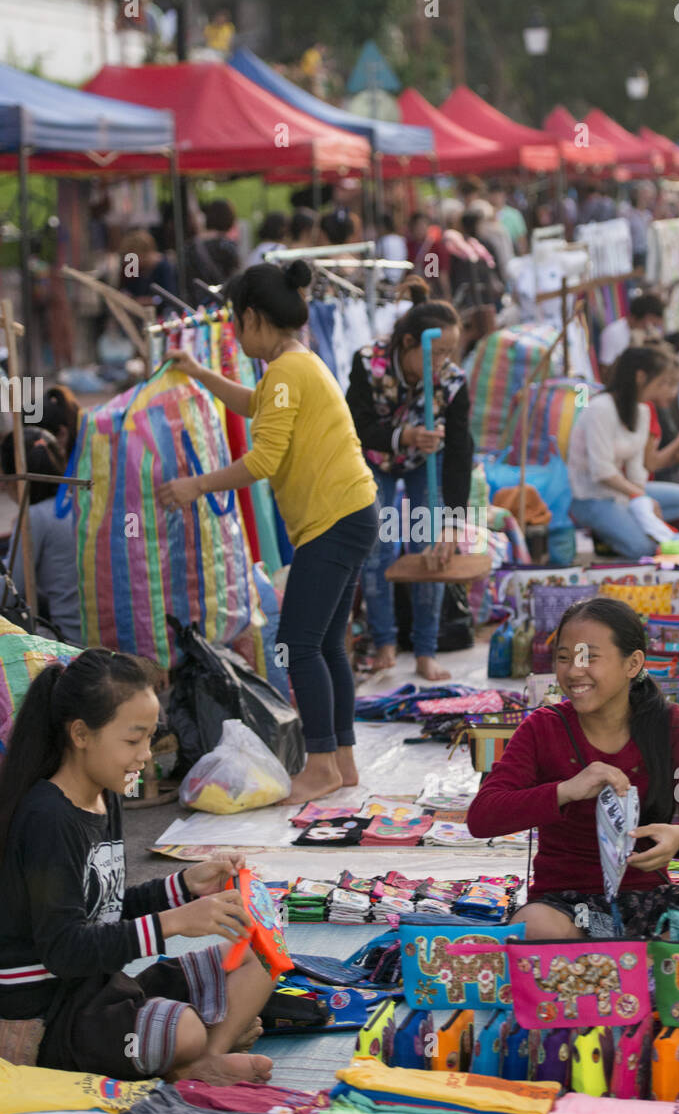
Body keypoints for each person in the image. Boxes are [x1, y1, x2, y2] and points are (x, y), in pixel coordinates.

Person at [156, 261, 378, 805]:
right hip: (353, 511)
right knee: (326, 645)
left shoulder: (286, 371)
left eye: (236, 320)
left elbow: (262, 459)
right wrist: (200, 373)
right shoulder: (297, 364)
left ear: (253, 317)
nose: (233, 330)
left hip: (333, 519)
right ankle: (341, 761)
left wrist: (195, 486)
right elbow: (255, 407)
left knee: (298, 643)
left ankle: (321, 764)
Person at [0, 649, 275, 1084]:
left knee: (259, 954)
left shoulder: (104, 795)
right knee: (182, 1028)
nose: (146, 755)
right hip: (51, 1013)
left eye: (150, 738)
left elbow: (105, 908)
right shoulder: (47, 819)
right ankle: (193, 1051)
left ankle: (205, 1058)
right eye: (133, 740)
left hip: (103, 988)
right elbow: (65, 948)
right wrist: (175, 921)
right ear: (80, 734)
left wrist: (185, 885)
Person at [467, 597, 679, 939]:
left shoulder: (671, 726)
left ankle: (637, 956)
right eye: (563, 658)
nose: (574, 671)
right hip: (566, 911)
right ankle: (656, 959)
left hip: (653, 904)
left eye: (589, 657)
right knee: (535, 926)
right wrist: (566, 790)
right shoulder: (542, 727)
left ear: (632, 663)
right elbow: (482, 817)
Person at [346, 279, 473, 682]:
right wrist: (403, 437)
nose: (443, 363)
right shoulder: (368, 362)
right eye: (436, 353)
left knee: (430, 546)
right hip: (376, 460)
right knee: (378, 546)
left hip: (426, 464)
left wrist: (453, 519)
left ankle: (425, 650)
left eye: (450, 353)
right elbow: (357, 426)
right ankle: (385, 641)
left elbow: (458, 453)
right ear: (406, 344)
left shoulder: (452, 383)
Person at [567, 347, 679, 559]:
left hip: (623, 494)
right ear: (640, 377)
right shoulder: (600, 408)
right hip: (591, 497)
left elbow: (637, 469)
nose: (666, 389)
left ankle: (625, 521)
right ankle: (616, 527)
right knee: (643, 549)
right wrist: (641, 497)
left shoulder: (642, 411)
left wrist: (642, 502)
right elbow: (602, 471)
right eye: (662, 382)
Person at [0, 429, 82, 645]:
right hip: (101, 631)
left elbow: (8, 593)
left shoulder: (34, 518)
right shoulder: (80, 502)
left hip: (67, 640)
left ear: (12, 478)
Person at [598, 293, 665, 380]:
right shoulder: (613, 333)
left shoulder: (649, 334)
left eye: (655, 325)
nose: (650, 329)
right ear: (634, 318)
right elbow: (605, 370)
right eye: (649, 324)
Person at [117, 229, 179, 313]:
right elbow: (126, 289)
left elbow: (170, 298)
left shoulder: (163, 267)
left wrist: (149, 300)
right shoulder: (133, 268)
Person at [192, 199, 241, 287]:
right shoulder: (227, 245)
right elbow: (235, 276)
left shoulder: (192, 244)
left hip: (195, 297)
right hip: (220, 296)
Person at [488, 181, 528, 255]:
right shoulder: (485, 214)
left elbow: (521, 239)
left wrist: (522, 255)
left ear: (504, 195)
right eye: (493, 194)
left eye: (499, 193)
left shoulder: (514, 214)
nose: (496, 197)